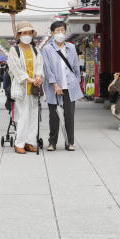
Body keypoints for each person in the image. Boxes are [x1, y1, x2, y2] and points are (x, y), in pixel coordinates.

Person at [42, 21, 83, 151]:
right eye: (57, 30)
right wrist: (55, 84)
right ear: (52, 33)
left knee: (69, 116)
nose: (60, 33)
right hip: (54, 88)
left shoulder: (71, 47)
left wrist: (76, 81)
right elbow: (47, 69)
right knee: (54, 116)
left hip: (70, 88)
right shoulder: (47, 49)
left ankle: (69, 142)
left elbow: (76, 67)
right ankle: (52, 142)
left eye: (62, 30)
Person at [7, 21, 44, 154]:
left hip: (34, 88)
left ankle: (30, 142)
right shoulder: (14, 50)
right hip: (22, 87)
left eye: (30, 33)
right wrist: (29, 79)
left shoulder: (35, 50)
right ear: (19, 35)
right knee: (23, 116)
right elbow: (15, 68)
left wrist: (39, 77)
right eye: (25, 33)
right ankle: (19, 143)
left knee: (34, 115)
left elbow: (40, 65)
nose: (28, 35)